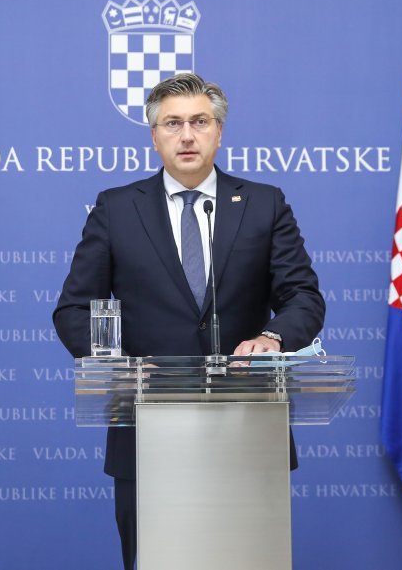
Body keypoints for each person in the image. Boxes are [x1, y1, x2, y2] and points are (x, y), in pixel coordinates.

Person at [53, 73, 325, 569]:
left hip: (248, 425)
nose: (186, 135)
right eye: (172, 123)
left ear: (219, 132)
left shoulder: (264, 203)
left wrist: (272, 336)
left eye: (199, 122)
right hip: (146, 427)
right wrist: (123, 365)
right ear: (154, 136)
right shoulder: (117, 208)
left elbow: (303, 296)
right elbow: (74, 309)